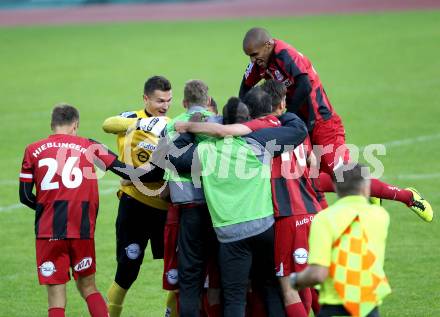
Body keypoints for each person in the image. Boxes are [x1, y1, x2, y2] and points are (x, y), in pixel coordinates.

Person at [238, 27, 433, 222]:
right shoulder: (259, 64)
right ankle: (357, 201)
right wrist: (246, 117)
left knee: (344, 176)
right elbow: (244, 90)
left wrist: (286, 118)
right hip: (300, 127)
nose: (252, 60)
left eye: (254, 55)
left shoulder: (286, 54)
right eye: (249, 56)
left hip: (323, 124)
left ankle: (408, 197)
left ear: (268, 44)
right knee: (308, 179)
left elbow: (304, 84)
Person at [19, 104, 164, 317]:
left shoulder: (32, 150)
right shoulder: (89, 145)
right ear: (75, 124)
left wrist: (47, 209)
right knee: (88, 288)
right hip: (82, 228)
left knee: (56, 297)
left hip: (48, 230)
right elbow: (124, 170)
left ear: (52, 124)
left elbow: (25, 196)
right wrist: (157, 174)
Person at [173, 88, 308, 317]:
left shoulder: (205, 151)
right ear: (247, 122)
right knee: (271, 288)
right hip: (265, 228)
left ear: (223, 121)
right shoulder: (258, 142)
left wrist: (190, 130)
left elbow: (174, 157)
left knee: (234, 297)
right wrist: (278, 113)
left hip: (231, 235)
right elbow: (299, 131)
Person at [102, 75, 172, 317]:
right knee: (127, 269)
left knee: (175, 273)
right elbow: (108, 124)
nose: (165, 106)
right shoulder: (131, 118)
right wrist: (143, 125)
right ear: (145, 98)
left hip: (166, 209)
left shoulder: (171, 125)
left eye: (169, 101)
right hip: (135, 207)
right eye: (160, 101)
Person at [290, 163, 391, 317]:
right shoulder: (380, 216)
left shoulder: (324, 219)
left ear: (335, 187)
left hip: (334, 306)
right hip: (367, 307)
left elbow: (317, 274)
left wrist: (295, 280)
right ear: (366, 187)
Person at [160, 79, 218, 317]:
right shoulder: (219, 122)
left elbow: (166, 163)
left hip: (187, 208)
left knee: (190, 277)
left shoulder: (172, 125)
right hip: (219, 207)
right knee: (218, 275)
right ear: (207, 101)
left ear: (184, 102)